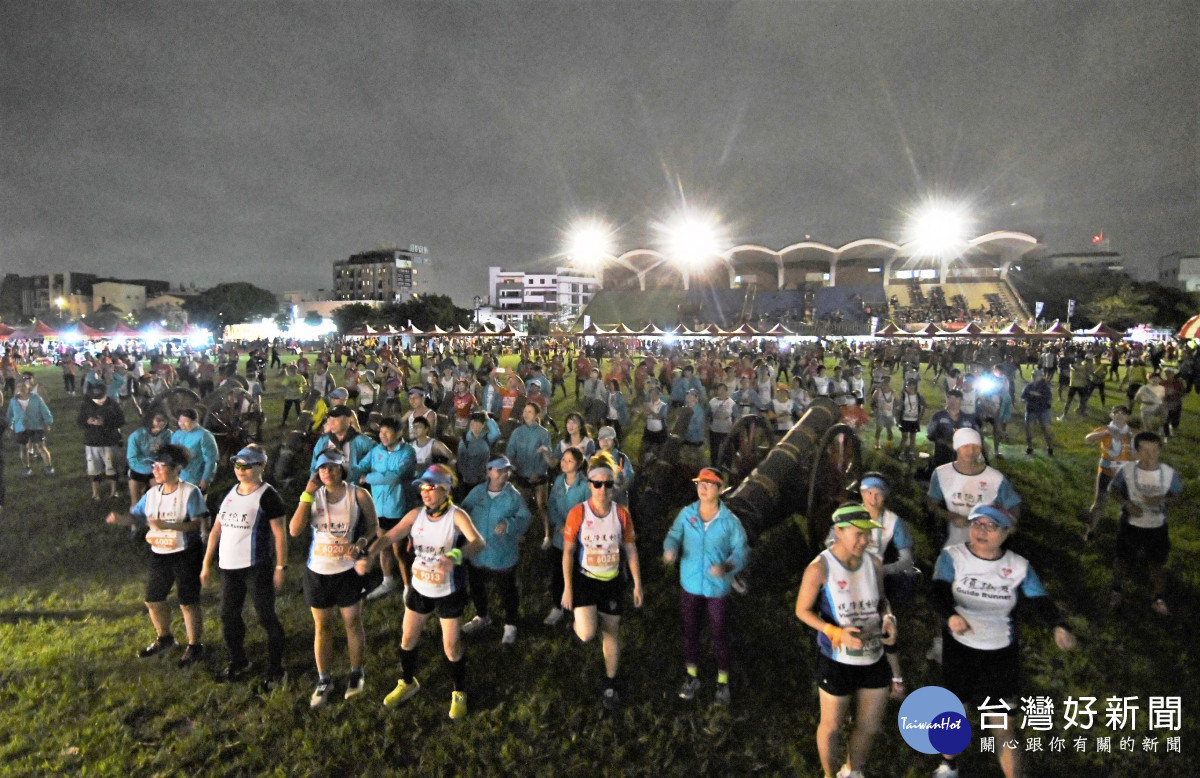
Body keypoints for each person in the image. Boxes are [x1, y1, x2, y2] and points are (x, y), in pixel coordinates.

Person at [931, 504, 1076, 778]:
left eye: (991, 526)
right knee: (955, 711)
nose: (981, 531)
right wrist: (950, 616)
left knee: (1002, 724)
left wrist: (1058, 626)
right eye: (977, 524)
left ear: (1007, 532)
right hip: (960, 650)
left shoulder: (1018, 567)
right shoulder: (952, 557)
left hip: (1000, 654)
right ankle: (948, 764)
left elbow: (1040, 600)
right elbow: (937, 593)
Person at [364, 464, 485, 720]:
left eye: (430, 487)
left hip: (448, 590)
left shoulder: (456, 515)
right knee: (407, 639)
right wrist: (370, 553)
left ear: (445, 489)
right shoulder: (416, 514)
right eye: (422, 487)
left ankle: (459, 692)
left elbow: (478, 542)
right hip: (420, 588)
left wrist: (455, 556)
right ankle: (407, 682)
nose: (424, 493)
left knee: (451, 647)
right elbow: (389, 537)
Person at [795, 504, 897, 778]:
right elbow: (802, 610)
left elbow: (882, 602)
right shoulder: (820, 568)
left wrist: (889, 619)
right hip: (836, 660)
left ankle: (853, 771)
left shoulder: (874, 563)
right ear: (839, 531)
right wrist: (834, 632)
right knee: (831, 726)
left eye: (869, 535)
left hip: (873, 656)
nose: (865, 541)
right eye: (858, 534)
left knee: (869, 725)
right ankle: (830, 775)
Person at [105, 443, 209, 668]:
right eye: (154, 466)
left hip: (186, 552)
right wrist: (122, 519)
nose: (155, 470)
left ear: (177, 468)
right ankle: (165, 638)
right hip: (160, 552)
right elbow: (139, 516)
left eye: (161, 466)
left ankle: (195, 645)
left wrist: (170, 524)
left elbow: (197, 524)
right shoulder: (151, 494)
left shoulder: (190, 493)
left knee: (187, 601)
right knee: (153, 599)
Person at [290, 450, 379, 708]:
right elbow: (294, 530)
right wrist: (306, 495)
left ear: (342, 469)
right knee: (323, 626)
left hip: (347, 570)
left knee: (352, 622)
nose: (326, 472)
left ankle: (356, 673)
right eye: (322, 468)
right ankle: (324, 679)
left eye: (332, 467)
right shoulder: (313, 496)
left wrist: (360, 542)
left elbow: (374, 527)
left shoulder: (358, 494)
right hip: (318, 570)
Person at [561, 452, 644, 711]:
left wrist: (638, 584)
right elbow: (568, 552)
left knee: (612, 632)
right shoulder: (578, 513)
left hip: (613, 581)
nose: (602, 489)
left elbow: (630, 549)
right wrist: (567, 588)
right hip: (586, 580)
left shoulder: (621, 515)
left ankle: (611, 682)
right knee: (587, 634)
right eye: (597, 483)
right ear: (589, 486)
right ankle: (582, 619)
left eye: (608, 484)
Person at [200, 445, 289, 687]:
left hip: (256, 566)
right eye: (237, 465)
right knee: (228, 616)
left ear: (261, 466)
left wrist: (281, 567)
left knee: (266, 617)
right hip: (229, 568)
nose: (240, 470)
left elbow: (279, 534)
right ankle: (239, 661)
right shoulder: (230, 493)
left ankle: (276, 670)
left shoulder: (268, 496)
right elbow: (216, 529)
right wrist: (207, 563)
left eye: (246, 465)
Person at [662, 468, 747, 707]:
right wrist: (671, 549)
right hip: (690, 584)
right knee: (690, 630)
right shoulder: (687, 514)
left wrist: (729, 565)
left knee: (719, 633)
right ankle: (692, 676)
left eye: (709, 484)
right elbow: (673, 535)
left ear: (720, 490)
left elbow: (741, 550)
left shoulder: (729, 522)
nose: (703, 487)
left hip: (717, 589)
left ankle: (722, 681)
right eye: (701, 483)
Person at [1106, 431, 1182, 615]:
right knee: (1122, 559)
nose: (1150, 455)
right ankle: (1116, 591)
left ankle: (1158, 598)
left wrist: (1163, 499)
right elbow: (1113, 489)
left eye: (1155, 450)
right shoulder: (1127, 471)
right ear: (1136, 451)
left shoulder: (1169, 473)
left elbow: (1177, 496)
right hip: (1130, 525)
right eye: (1145, 450)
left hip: (1156, 526)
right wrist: (1127, 504)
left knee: (1156, 563)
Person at [460, 457, 532, 644]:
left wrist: (509, 524)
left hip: (502, 554)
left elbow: (525, 518)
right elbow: (462, 513)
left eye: (506, 470)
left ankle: (510, 624)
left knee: (507, 589)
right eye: (498, 470)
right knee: (476, 586)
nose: (503, 474)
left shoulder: (513, 496)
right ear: (488, 472)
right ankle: (482, 615)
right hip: (478, 553)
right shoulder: (477, 493)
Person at [927, 428, 1022, 550]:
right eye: (965, 446)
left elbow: (1013, 505)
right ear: (956, 447)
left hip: (986, 547)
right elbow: (932, 504)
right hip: (954, 544)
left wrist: (1009, 525)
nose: (971, 451)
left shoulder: (995, 478)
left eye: (975, 446)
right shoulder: (941, 474)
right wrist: (951, 516)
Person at [358, 417, 416, 603]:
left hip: (398, 508)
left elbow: (394, 477)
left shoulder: (407, 452)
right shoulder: (377, 451)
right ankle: (388, 581)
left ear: (399, 433)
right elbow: (360, 467)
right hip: (378, 508)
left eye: (387, 432)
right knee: (384, 546)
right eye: (381, 432)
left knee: (399, 550)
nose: (382, 436)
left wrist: (368, 479)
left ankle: (408, 586)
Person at [542, 446, 588, 627]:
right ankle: (557, 606)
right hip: (560, 538)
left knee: (577, 573)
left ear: (578, 465)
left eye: (569, 461)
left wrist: (573, 527)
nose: (564, 463)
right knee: (557, 572)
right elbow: (551, 505)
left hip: (578, 539)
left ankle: (577, 608)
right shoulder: (559, 482)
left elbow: (588, 511)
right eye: (563, 460)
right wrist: (559, 524)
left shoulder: (584, 486)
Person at [1083, 405, 1134, 541]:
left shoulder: (1132, 433)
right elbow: (1088, 438)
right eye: (1116, 413)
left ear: (1128, 417)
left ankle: (1128, 534)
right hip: (1107, 472)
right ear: (1111, 415)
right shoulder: (1106, 430)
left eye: (1123, 413)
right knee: (1100, 502)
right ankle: (1091, 530)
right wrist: (1106, 434)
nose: (1119, 415)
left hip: (1125, 475)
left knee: (1128, 504)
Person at [78, 384, 126, 499]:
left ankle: (114, 491)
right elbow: (79, 422)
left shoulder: (113, 404)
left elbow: (121, 421)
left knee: (111, 467)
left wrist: (105, 423)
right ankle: (95, 493)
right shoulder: (86, 405)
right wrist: (87, 422)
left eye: (101, 398)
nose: (98, 401)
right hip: (92, 442)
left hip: (109, 441)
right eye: (95, 398)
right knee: (93, 469)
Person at [309, 405, 375, 483]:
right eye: (329, 419)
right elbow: (314, 466)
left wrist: (362, 472)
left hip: (351, 488)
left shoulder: (359, 440)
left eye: (335, 419)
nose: (331, 423)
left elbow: (379, 454)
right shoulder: (324, 440)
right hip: (327, 487)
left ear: (347, 420)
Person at [6, 375, 54, 476]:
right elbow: (10, 416)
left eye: (24, 386)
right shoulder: (13, 401)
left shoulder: (36, 398)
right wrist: (10, 428)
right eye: (19, 386)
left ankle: (48, 466)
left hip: (36, 426)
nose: (21, 388)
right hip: (21, 428)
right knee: (23, 448)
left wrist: (47, 423)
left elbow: (45, 412)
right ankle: (26, 467)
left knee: (41, 446)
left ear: (28, 387)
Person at [171, 408, 218, 493]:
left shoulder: (204, 435)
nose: (181, 424)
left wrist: (205, 479)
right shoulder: (177, 434)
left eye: (185, 422)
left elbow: (211, 459)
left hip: (195, 479)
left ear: (195, 421)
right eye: (180, 421)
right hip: (178, 478)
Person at [1019, 368, 1055, 456]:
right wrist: (1023, 400)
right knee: (1029, 429)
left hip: (1043, 410)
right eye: (1033, 375)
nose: (1034, 377)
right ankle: (1030, 447)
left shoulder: (1045, 386)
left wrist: (1038, 395)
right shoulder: (1029, 386)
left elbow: (1049, 398)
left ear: (1041, 376)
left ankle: (1050, 447)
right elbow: (1022, 397)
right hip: (1031, 410)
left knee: (1046, 430)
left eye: (1036, 376)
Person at [897, 377, 926, 461]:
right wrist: (898, 418)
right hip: (905, 419)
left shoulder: (918, 395)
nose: (910, 387)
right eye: (908, 385)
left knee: (913, 437)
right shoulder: (903, 395)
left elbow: (924, 405)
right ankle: (901, 453)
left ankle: (911, 453)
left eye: (912, 385)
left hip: (914, 420)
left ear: (915, 386)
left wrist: (920, 416)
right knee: (904, 437)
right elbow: (899, 407)